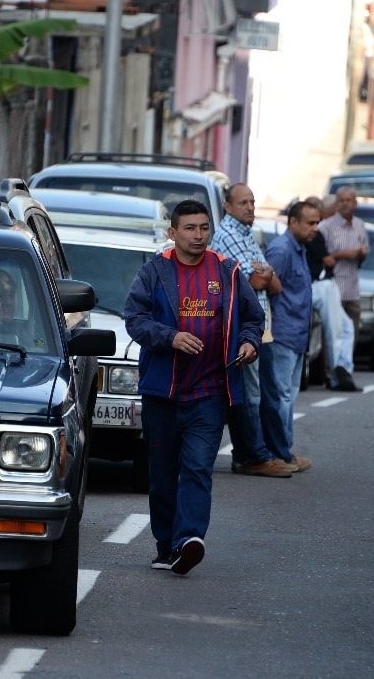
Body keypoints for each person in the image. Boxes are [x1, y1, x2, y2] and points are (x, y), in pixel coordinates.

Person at [123, 200, 265, 574]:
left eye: (204, 228)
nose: (198, 235)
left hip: (210, 393)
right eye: (189, 228)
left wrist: (249, 343)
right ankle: (166, 544)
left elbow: (254, 317)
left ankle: (189, 540)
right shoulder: (155, 272)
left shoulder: (228, 271)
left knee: (199, 468)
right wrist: (170, 337)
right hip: (162, 394)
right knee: (164, 474)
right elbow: (134, 319)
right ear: (173, 232)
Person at [208, 183, 292, 478]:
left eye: (253, 202)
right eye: (243, 202)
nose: (250, 207)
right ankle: (253, 456)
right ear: (227, 207)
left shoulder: (246, 235)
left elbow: (273, 282)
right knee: (250, 394)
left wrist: (265, 275)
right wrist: (265, 275)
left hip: (257, 326)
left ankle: (253, 454)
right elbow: (255, 282)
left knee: (253, 393)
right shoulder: (227, 235)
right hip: (240, 328)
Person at [260, 201, 320, 473]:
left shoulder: (299, 250)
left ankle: (285, 451)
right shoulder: (282, 250)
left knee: (289, 395)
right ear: (293, 223)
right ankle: (279, 453)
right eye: (310, 223)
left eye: (317, 223)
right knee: (281, 395)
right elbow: (267, 288)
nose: (315, 228)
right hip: (283, 333)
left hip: (297, 333)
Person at [303, 195, 359, 392]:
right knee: (336, 330)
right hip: (320, 285)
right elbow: (327, 260)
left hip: (326, 284)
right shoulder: (312, 234)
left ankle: (344, 367)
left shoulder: (317, 232)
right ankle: (337, 376)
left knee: (347, 327)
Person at [317, 186, 370, 345]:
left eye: (348, 200)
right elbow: (319, 256)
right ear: (336, 204)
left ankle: (346, 367)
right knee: (333, 336)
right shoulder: (325, 227)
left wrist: (361, 253)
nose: (345, 204)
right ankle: (330, 369)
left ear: (355, 203)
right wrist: (341, 254)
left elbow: (365, 249)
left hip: (353, 290)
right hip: (333, 288)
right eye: (341, 200)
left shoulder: (360, 225)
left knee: (351, 334)